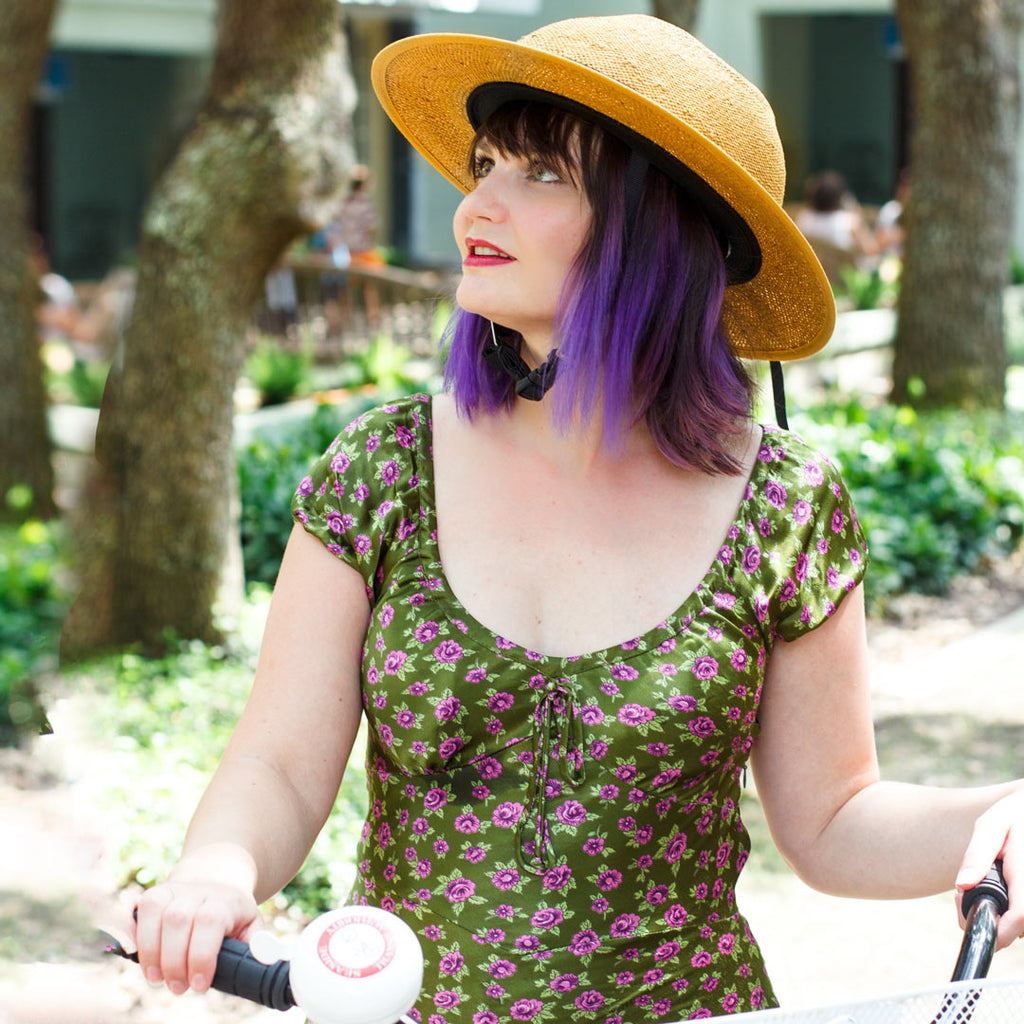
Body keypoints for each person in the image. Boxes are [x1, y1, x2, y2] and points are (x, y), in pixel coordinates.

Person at [132, 15, 1023, 1021]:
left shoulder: (785, 506)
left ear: (659, 231)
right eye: (485, 165)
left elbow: (835, 819)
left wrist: (1006, 812)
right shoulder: (382, 471)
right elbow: (282, 764)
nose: (477, 203)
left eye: (543, 174)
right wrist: (216, 866)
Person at [793, 169, 879, 275]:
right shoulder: (850, 223)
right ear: (839, 197)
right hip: (843, 280)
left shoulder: (804, 219)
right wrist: (854, 208)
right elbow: (870, 249)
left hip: (811, 276)